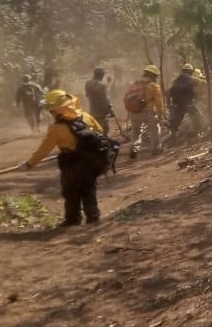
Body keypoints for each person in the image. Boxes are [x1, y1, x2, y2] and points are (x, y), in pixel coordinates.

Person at [22, 90, 106, 226]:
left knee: (71, 192)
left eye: (51, 110)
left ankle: (73, 220)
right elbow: (100, 131)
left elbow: (43, 150)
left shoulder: (56, 129)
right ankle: (93, 218)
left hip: (71, 165)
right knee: (89, 189)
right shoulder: (86, 117)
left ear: (58, 109)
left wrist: (29, 164)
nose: (51, 112)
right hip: (90, 162)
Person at [125, 64, 165, 159]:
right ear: (154, 75)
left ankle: (134, 149)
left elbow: (126, 98)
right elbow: (159, 103)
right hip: (147, 113)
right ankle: (156, 149)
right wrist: (160, 115)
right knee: (155, 130)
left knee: (136, 133)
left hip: (134, 112)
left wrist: (130, 112)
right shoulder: (154, 86)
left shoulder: (134, 84)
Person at [168, 63, 205, 141]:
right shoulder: (190, 78)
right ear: (190, 71)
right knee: (197, 116)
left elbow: (170, 92)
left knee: (177, 120)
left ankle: (172, 136)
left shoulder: (176, 80)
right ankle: (198, 133)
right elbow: (202, 82)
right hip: (188, 103)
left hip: (178, 104)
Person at [84, 65, 115, 136]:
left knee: (94, 130)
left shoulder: (87, 83)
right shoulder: (102, 85)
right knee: (104, 131)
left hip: (92, 110)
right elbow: (105, 100)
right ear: (101, 75)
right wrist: (110, 110)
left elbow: (87, 94)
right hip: (101, 113)